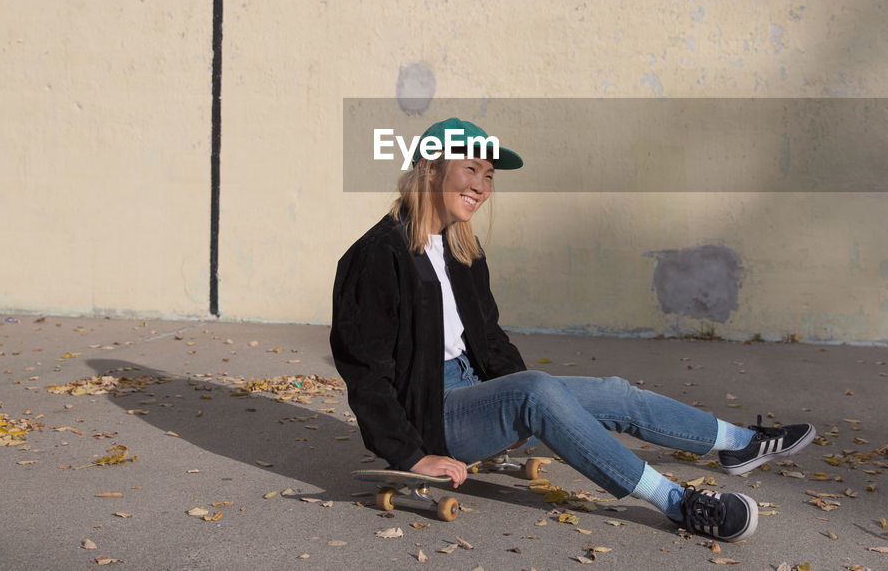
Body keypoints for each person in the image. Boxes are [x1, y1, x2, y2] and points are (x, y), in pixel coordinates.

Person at [330, 117, 816, 542]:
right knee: (537, 392)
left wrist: (512, 400)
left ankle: (735, 442)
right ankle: (678, 503)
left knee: (613, 392)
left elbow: (491, 339)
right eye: (470, 170)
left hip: (476, 392)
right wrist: (411, 455)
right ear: (430, 170)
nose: (482, 186)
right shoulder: (376, 255)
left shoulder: (461, 250)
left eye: (489, 175)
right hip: (429, 414)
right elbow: (365, 374)